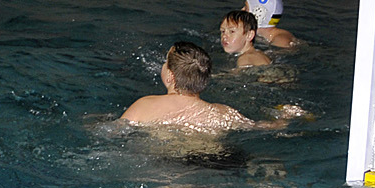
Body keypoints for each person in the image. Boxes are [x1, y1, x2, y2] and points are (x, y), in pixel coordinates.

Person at [120, 42, 294, 132]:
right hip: (211, 162)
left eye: (166, 62)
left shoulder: (145, 105)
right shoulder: (222, 113)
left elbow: (114, 131)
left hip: (167, 161)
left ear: (170, 76)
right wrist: (285, 117)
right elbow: (259, 127)